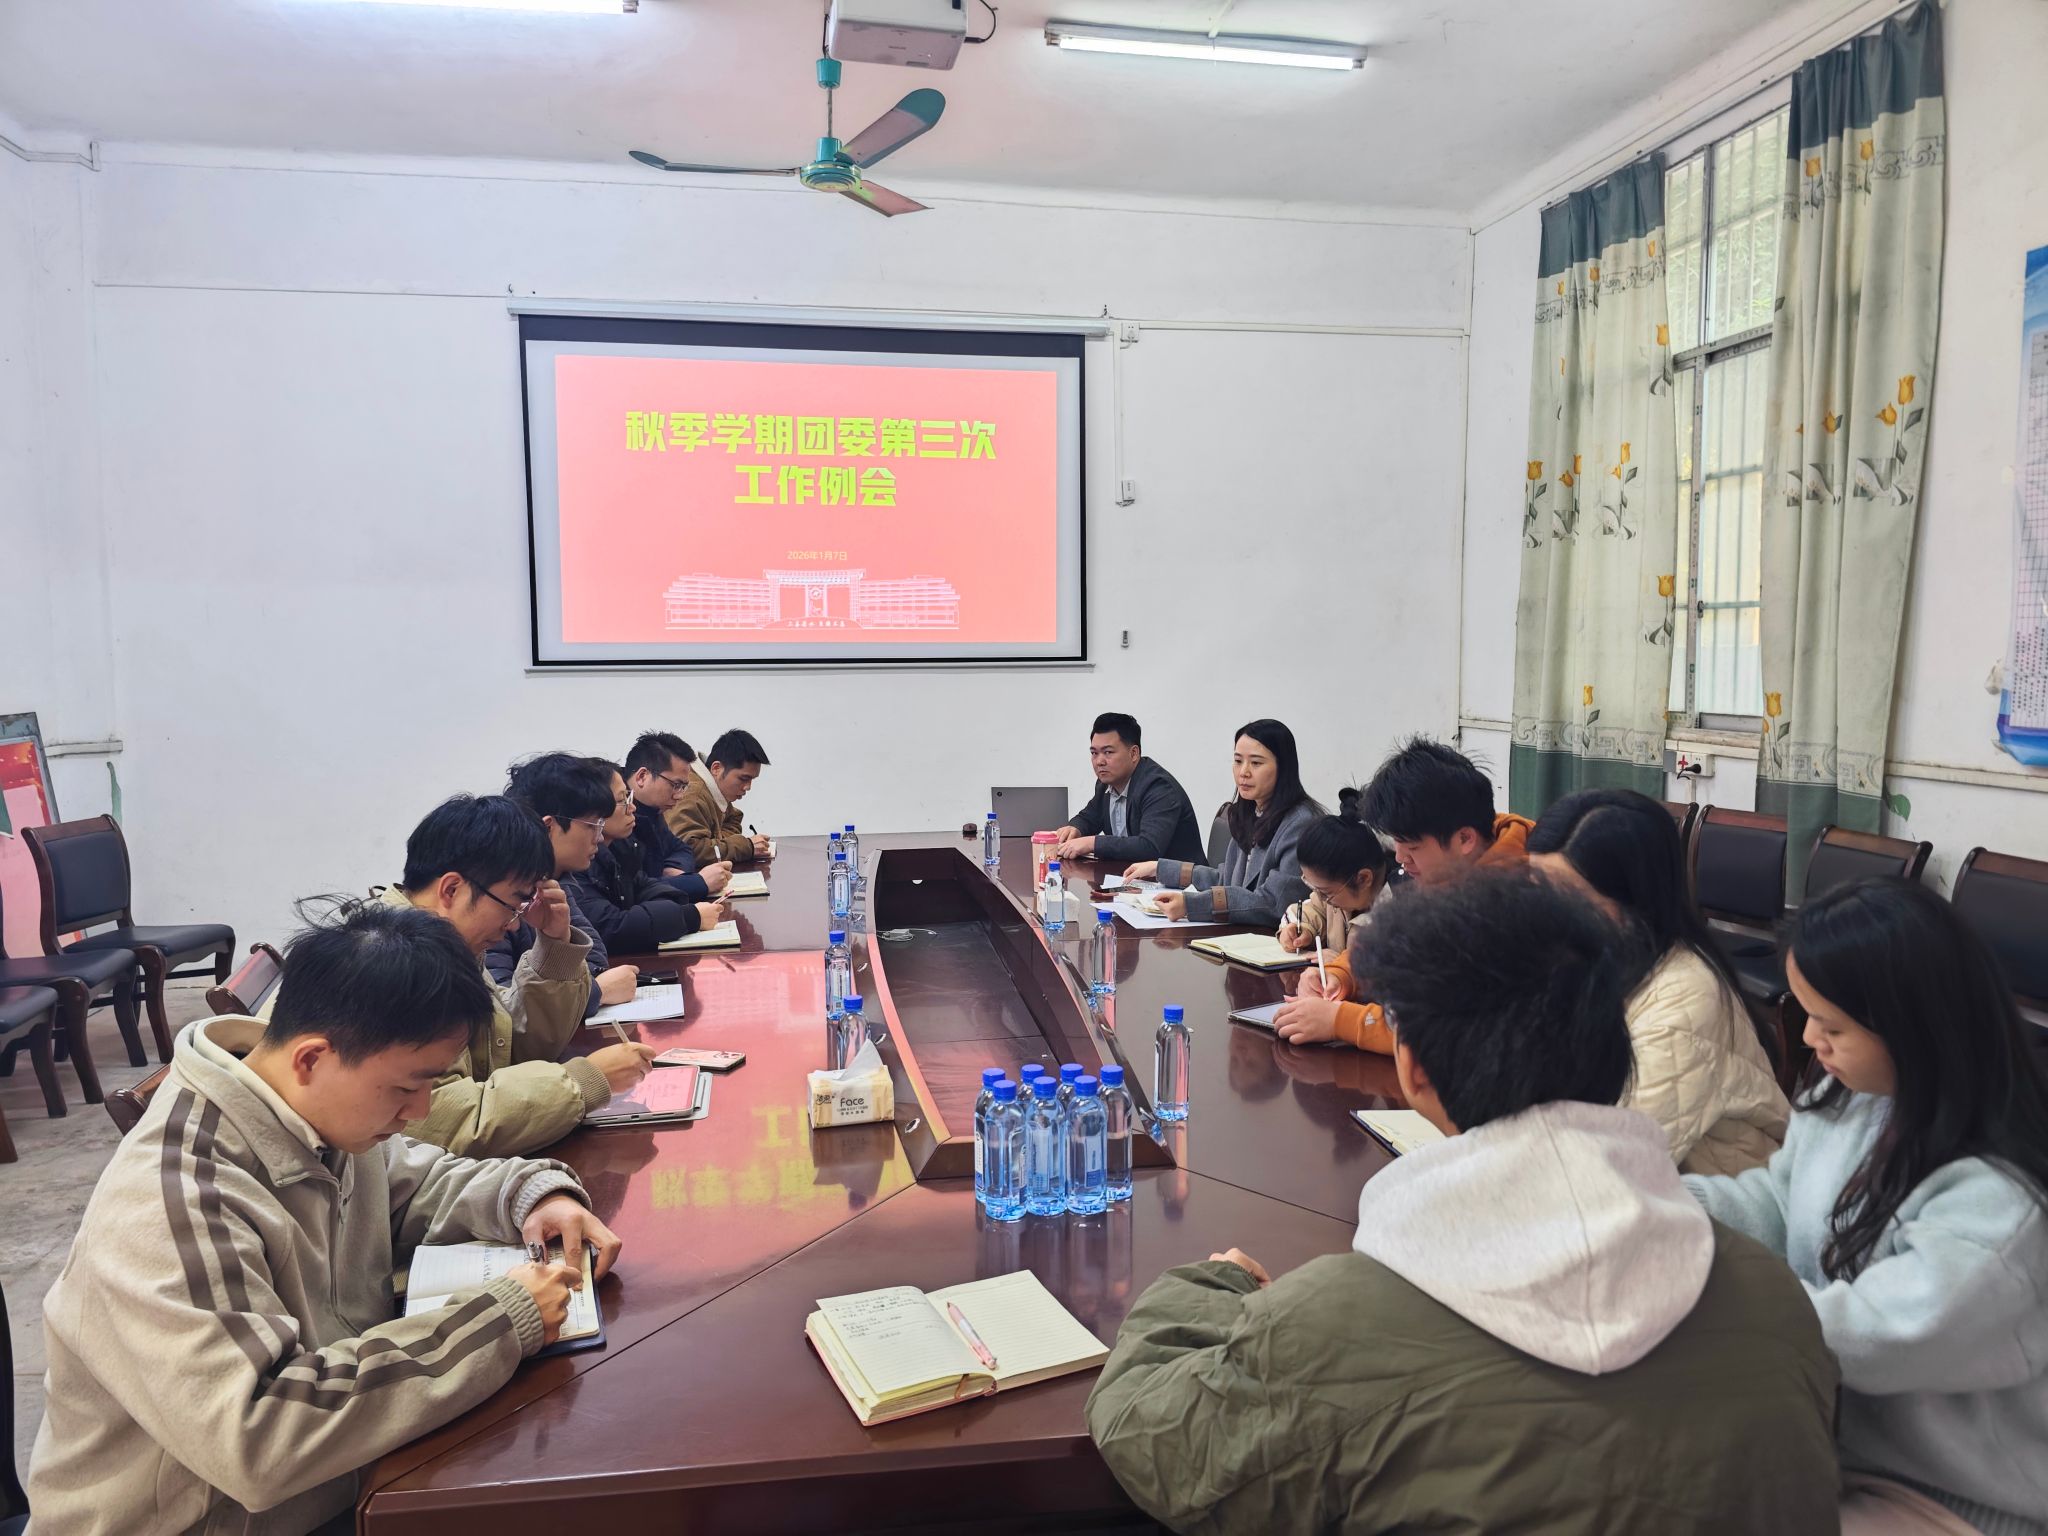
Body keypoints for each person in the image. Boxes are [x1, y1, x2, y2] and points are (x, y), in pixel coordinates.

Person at [1087, 873, 1840, 1536]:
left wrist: (1212, 1288)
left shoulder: (1333, 1324)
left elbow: (1142, 1430)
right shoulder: (1772, 1297)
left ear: (1412, 1068)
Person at [28, 901, 624, 1535]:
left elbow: (417, 1181)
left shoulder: (311, 1109)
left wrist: (533, 1195)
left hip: (334, 1480)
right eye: (406, 1088)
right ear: (311, 1058)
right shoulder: (172, 1199)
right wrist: (505, 1318)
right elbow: (260, 1436)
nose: (420, 1111)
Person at [1686, 877, 2048, 1535]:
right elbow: (1779, 1202)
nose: (1810, 1039)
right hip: (1832, 1441)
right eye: (1807, 1015)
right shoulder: (1851, 1098)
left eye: (1832, 1026)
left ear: (1917, 1027)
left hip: (1953, 1497)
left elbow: (1879, 1333)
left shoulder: (1998, 1202)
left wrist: (1707, 1295)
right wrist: (1677, 1209)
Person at [329, 794, 652, 1156]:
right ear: (452, 889)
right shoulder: (388, 964)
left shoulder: (444, 945)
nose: (514, 925)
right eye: (511, 905)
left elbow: (509, 1048)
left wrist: (554, 947)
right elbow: (438, 1122)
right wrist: (584, 1081)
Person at [1527, 787, 1789, 1175]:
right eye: (1536, 887)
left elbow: (1611, 1166)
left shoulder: (1684, 1002)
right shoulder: (1590, 958)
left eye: (1567, 897)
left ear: (1634, 900)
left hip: (1715, 1204)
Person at [1282, 737, 1531, 1050]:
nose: (1400, 858)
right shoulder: (1444, 871)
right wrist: (1338, 976)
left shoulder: (1520, 896)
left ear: (1464, 839)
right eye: (1396, 842)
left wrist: (1339, 1021)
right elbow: (1392, 949)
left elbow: (1448, 1027)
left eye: (1412, 846)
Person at [1122, 719, 1317, 926]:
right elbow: (1226, 880)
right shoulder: (1250, 812)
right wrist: (1160, 868)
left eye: (1256, 763)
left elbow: (1274, 904)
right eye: (1238, 761)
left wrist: (1191, 905)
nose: (1243, 772)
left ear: (1283, 768)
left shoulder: (1300, 825)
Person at [494, 752, 642, 1019]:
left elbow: (594, 960)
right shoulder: (498, 893)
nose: (599, 838)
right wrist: (595, 992)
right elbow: (501, 1013)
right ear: (549, 827)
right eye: (593, 825)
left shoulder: (553, 880)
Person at [565, 759, 726, 954]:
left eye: (629, 797)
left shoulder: (621, 845)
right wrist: (688, 915)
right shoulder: (573, 865)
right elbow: (612, 928)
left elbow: (651, 881)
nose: (632, 807)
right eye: (623, 799)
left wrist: (676, 887)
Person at [1050, 712, 1205, 865]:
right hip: (1129, 877)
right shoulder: (1105, 784)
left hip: (1178, 879)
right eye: (1094, 753)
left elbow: (1149, 847)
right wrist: (1074, 828)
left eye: (1108, 752)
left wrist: (1092, 843)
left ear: (1133, 754)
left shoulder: (1159, 787)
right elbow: (1089, 817)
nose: (1099, 761)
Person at [622, 730, 731, 900]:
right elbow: (631, 890)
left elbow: (681, 848)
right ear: (642, 777)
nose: (679, 795)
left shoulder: (653, 810)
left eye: (683, 787)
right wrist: (698, 882)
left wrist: (675, 868)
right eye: (675, 785)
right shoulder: (615, 818)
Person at [666, 727, 772, 867]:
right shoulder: (694, 794)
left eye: (752, 780)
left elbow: (733, 819)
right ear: (716, 768)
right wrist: (746, 847)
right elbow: (689, 851)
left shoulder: (713, 789)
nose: (748, 787)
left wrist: (717, 843)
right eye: (743, 778)